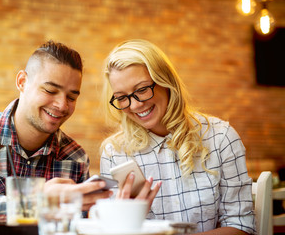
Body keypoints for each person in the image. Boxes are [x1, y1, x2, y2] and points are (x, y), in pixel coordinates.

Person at [99, 39, 256, 234]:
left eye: (141, 90)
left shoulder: (221, 137)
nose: (135, 105)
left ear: (166, 82)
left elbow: (241, 225)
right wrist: (123, 220)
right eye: (122, 98)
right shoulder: (115, 152)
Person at [0, 40, 111, 211]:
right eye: (50, 91)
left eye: (71, 97)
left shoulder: (76, 158)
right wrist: (39, 200)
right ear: (22, 82)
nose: (62, 105)